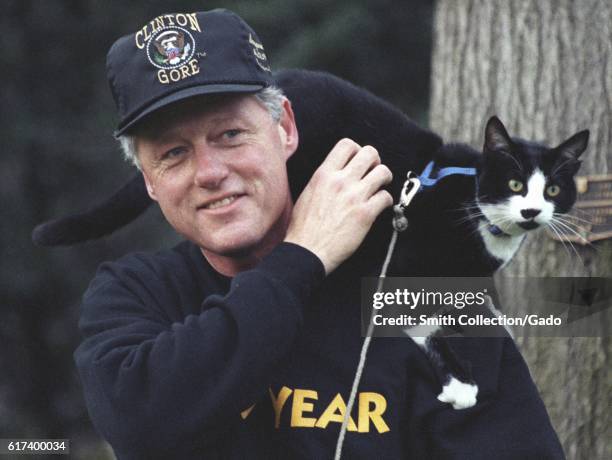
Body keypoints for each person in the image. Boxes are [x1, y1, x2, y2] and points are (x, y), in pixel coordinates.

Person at [74, 9, 565, 459]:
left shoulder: (420, 294)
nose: (209, 171)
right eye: (173, 153)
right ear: (149, 181)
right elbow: (139, 423)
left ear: (286, 129)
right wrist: (301, 258)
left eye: (230, 135)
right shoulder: (136, 292)